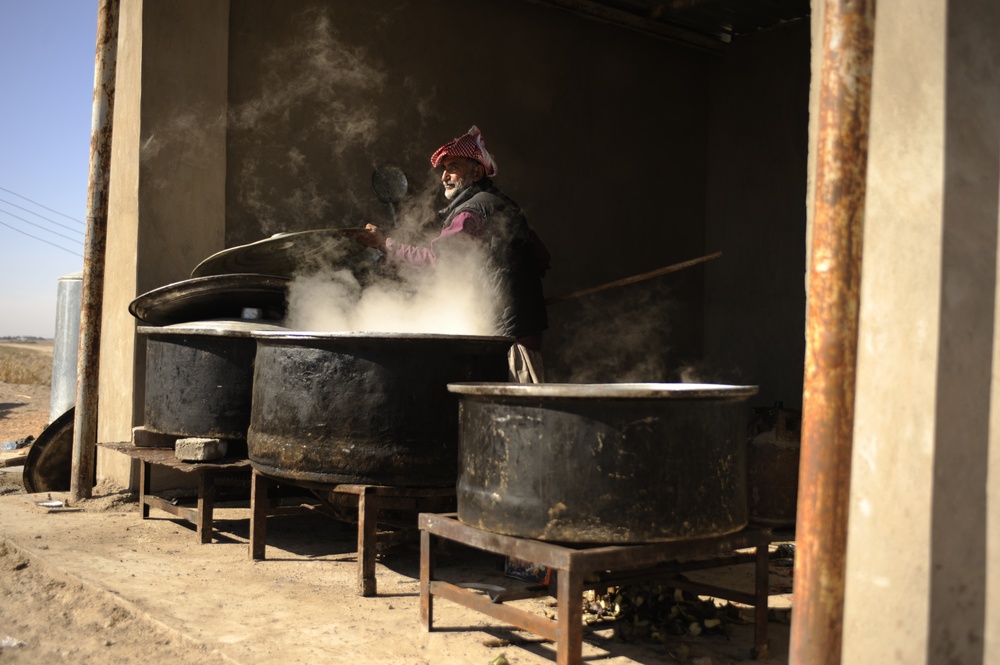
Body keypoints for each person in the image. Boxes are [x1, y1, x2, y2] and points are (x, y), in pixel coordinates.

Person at [359, 126, 549, 382]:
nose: (445, 177)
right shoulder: (503, 204)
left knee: (514, 414)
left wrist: (385, 244)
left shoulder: (470, 213)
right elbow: (541, 257)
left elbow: (435, 261)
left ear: (477, 171)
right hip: (523, 330)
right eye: (444, 169)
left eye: (454, 167)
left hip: (506, 339)